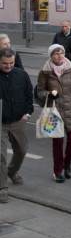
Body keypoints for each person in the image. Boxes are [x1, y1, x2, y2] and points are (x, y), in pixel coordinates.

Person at [37, 45, 71, 183]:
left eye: (61, 53)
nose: (60, 56)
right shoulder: (45, 72)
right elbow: (39, 92)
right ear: (51, 56)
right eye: (56, 54)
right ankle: (58, 170)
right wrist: (49, 95)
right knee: (58, 142)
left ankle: (67, 164)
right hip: (55, 111)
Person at [0, 48, 33, 203]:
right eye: (5, 63)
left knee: (21, 150)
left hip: (18, 120)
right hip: (0, 123)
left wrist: (28, 112)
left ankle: (11, 172)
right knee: (1, 157)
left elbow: (29, 94)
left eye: (11, 63)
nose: (8, 66)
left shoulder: (21, 74)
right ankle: (2, 188)